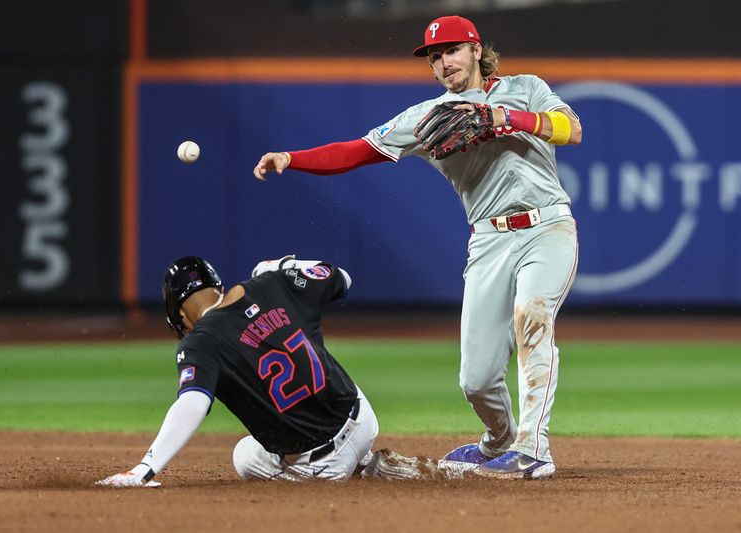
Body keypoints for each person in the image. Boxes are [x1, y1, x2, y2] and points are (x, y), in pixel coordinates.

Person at [253, 15, 582, 479]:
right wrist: (293, 158)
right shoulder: (427, 119)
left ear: (475, 50)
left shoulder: (525, 87)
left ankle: (533, 449)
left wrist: (505, 117)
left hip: (546, 226)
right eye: (434, 56)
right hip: (488, 239)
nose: (443, 62)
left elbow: (571, 129)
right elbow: (358, 150)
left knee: (532, 315)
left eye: (451, 50)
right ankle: (499, 440)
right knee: (476, 379)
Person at [96, 255, 379, 486]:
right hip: (362, 418)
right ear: (218, 288)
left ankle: (353, 467)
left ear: (181, 315)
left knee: (245, 455)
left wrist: (145, 468)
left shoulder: (201, 342)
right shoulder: (272, 282)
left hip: (325, 465)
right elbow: (341, 277)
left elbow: (193, 403)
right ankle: (364, 459)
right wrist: (284, 267)